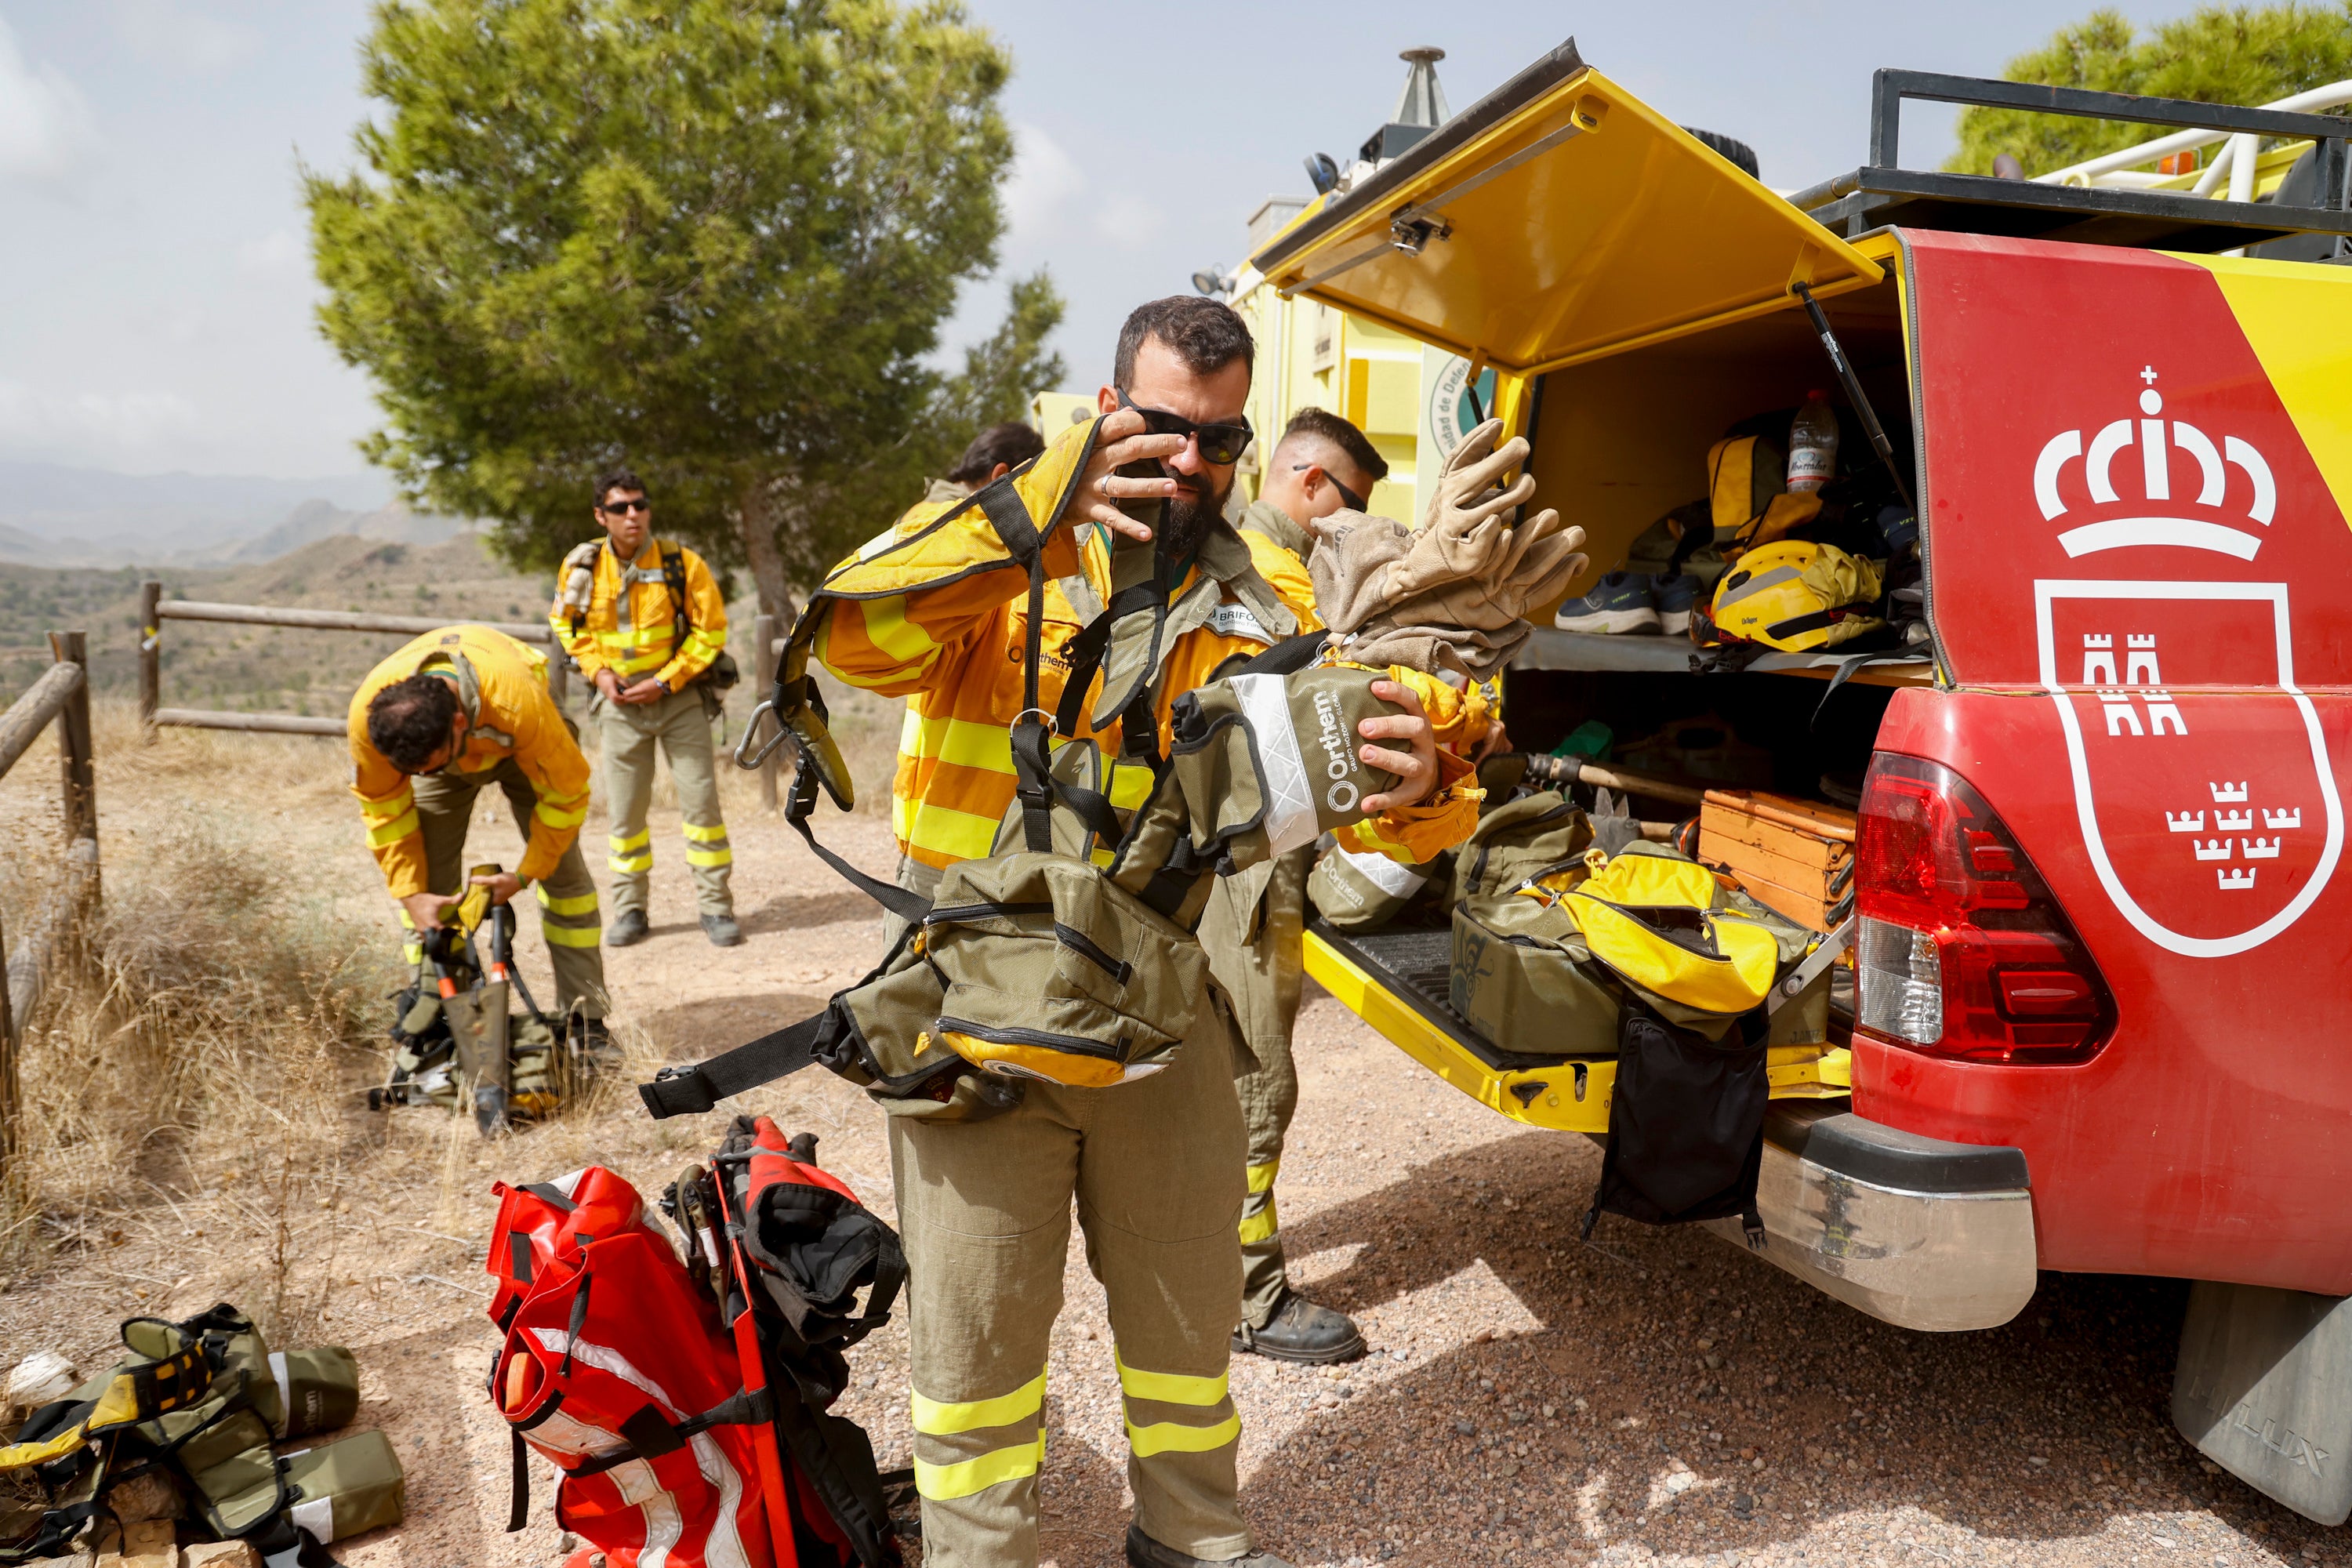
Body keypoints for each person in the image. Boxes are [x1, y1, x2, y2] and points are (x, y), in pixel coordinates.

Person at [813, 297, 1475, 1568]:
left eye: (1221, 444)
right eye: (1165, 432)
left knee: (1187, 1337)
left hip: (1163, 1029)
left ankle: (1193, 1544)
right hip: (975, 1032)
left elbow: (1357, 832)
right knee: (977, 1367)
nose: (1192, 467)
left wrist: (1426, 778)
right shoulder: (1004, 563)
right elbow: (852, 635)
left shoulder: (1256, 608)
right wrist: (1029, 515)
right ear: (1107, 413)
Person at [1203, 408, 1388, 1364]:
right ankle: (1248, 1296)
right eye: (1349, 505)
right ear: (1312, 482)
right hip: (1245, 869)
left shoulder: (1222, 557)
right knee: (1255, 1078)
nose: (1349, 526)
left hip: (1220, 859)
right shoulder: (1269, 581)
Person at [349, 625, 608, 1040]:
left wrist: (526, 874)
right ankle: (443, 1014)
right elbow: (384, 811)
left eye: (426, 769)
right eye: (412, 773)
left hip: (523, 742)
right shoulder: (374, 722)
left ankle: (586, 1023)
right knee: (428, 885)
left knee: (565, 878)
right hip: (443, 743)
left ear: (457, 723)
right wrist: (410, 894)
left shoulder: (519, 705)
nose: (420, 778)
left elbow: (565, 797)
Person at [552, 469, 741, 949]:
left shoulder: (682, 563)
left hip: (678, 702)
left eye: (640, 504)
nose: (632, 514)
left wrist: (666, 680)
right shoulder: (582, 567)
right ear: (601, 516)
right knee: (625, 817)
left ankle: (716, 910)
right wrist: (599, 673)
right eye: (620, 508)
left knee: (702, 807)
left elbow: (710, 630)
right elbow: (567, 625)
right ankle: (631, 911)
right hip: (619, 708)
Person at [884, 421, 1047, 911]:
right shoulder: (954, 531)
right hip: (941, 837)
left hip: (949, 824)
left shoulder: (937, 524)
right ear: (1003, 476)